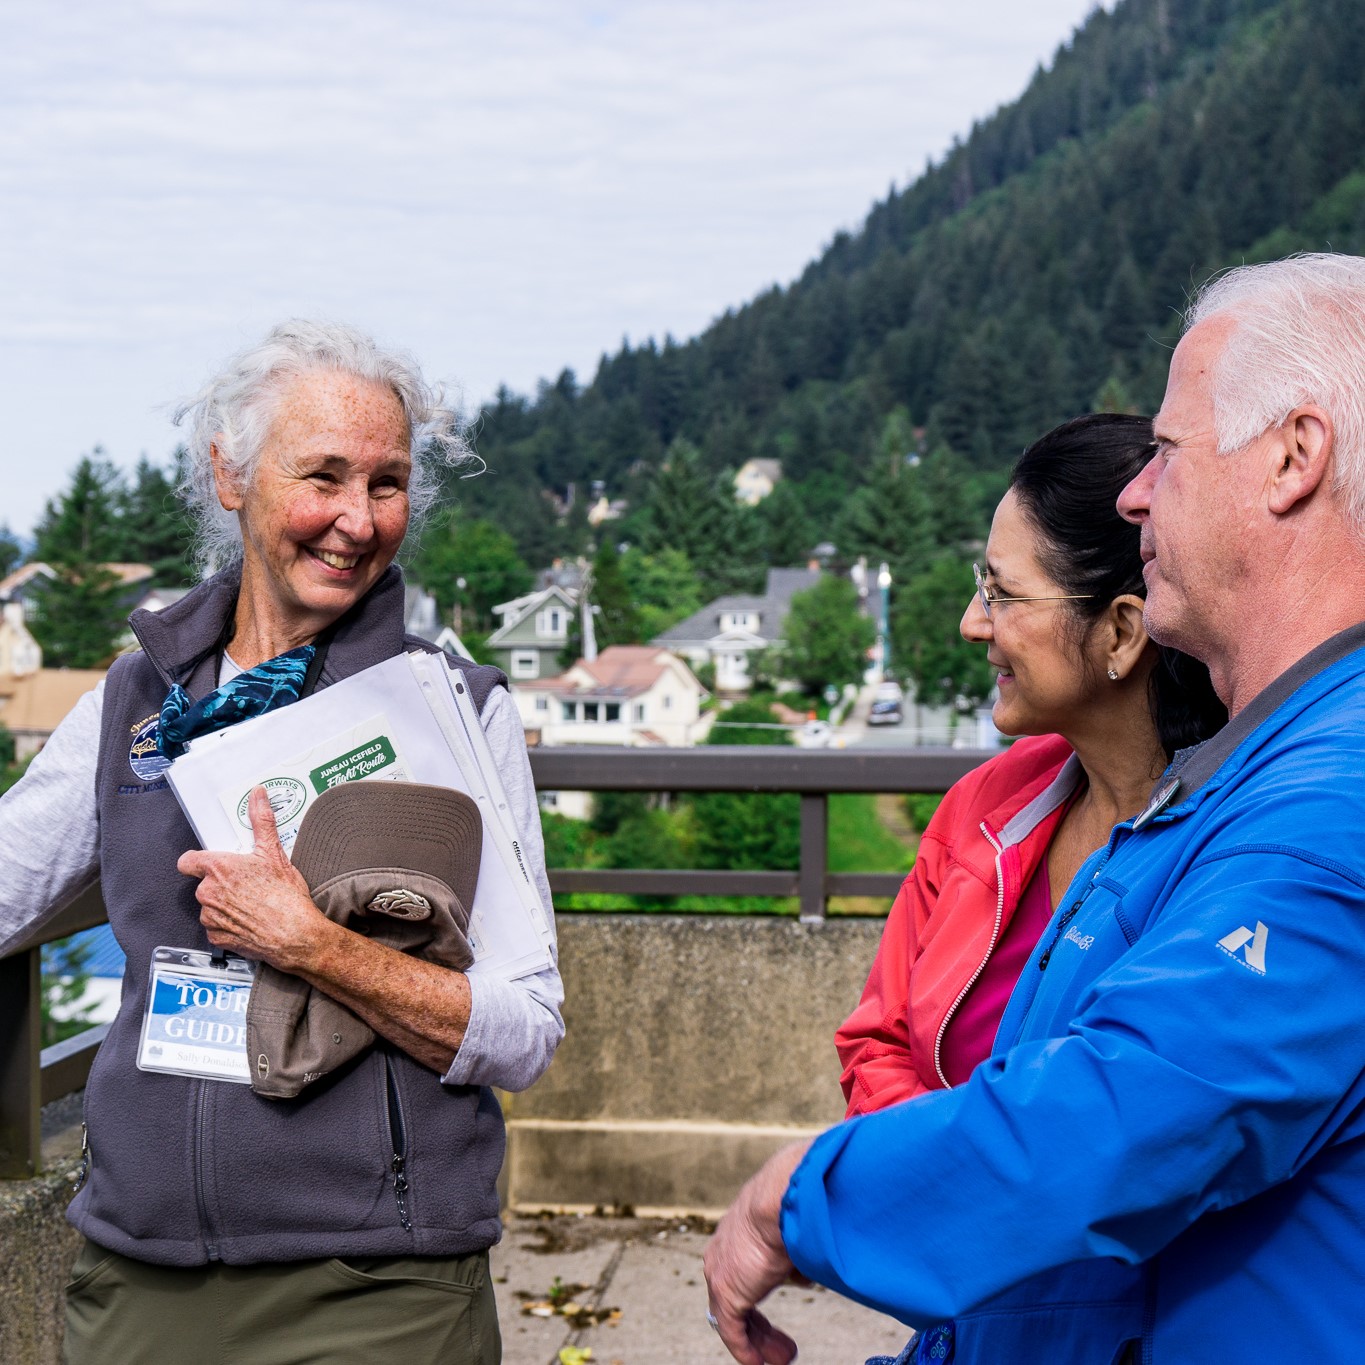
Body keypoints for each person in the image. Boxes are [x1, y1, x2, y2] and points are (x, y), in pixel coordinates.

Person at [703, 253, 1365, 1365]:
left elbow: (1127, 1122)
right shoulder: (1235, 787)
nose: (1136, 491)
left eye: (1166, 449)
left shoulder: (1329, 804)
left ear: (1295, 456)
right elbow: (1096, 1277)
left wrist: (802, 1201)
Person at [0, 320, 563, 1365]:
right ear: (231, 475)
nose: (357, 520)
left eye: (387, 484)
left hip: (379, 1286)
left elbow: (525, 1031)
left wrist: (314, 946)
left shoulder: (451, 715)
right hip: (141, 1273)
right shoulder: (133, 706)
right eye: (325, 477)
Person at [837, 414, 1224, 1117]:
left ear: (1120, 630)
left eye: (1002, 594)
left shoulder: (1227, 848)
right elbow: (877, 1040)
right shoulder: (984, 803)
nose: (970, 621)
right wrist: (932, 1179)